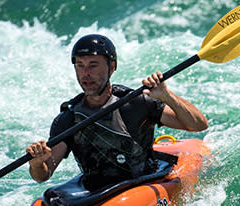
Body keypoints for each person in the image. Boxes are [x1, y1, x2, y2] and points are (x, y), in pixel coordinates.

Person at [25, 34, 208, 193]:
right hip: (98, 192)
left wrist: (166, 96)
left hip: (143, 183)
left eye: (93, 65)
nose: (85, 73)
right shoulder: (68, 119)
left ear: (112, 67)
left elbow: (198, 125)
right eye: (80, 65)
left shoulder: (136, 103)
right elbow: (43, 175)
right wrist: (36, 163)